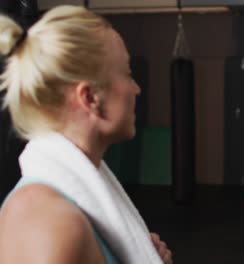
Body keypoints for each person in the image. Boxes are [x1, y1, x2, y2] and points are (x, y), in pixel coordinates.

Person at [0, 5, 172, 264]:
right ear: (89, 97)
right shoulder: (48, 222)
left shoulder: (63, 214)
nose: (136, 89)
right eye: (127, 73)